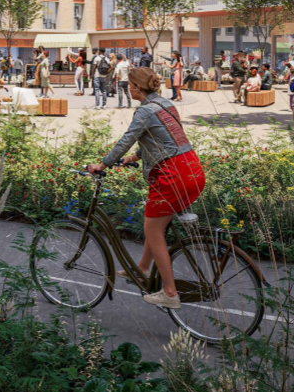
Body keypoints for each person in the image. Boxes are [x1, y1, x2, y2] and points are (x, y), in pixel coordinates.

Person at [86, 67, 206, 310]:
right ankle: (141, 269)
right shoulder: (165, 105)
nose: (127, 88)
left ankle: (170, 293)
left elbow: (126, 139)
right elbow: (166, 140)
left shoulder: (144, 110)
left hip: (172, 175)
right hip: (192, 170)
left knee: (152, 229)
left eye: (129, 84)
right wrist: (135, 158)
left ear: (136, 87)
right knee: (156, 224)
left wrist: (103, 163)